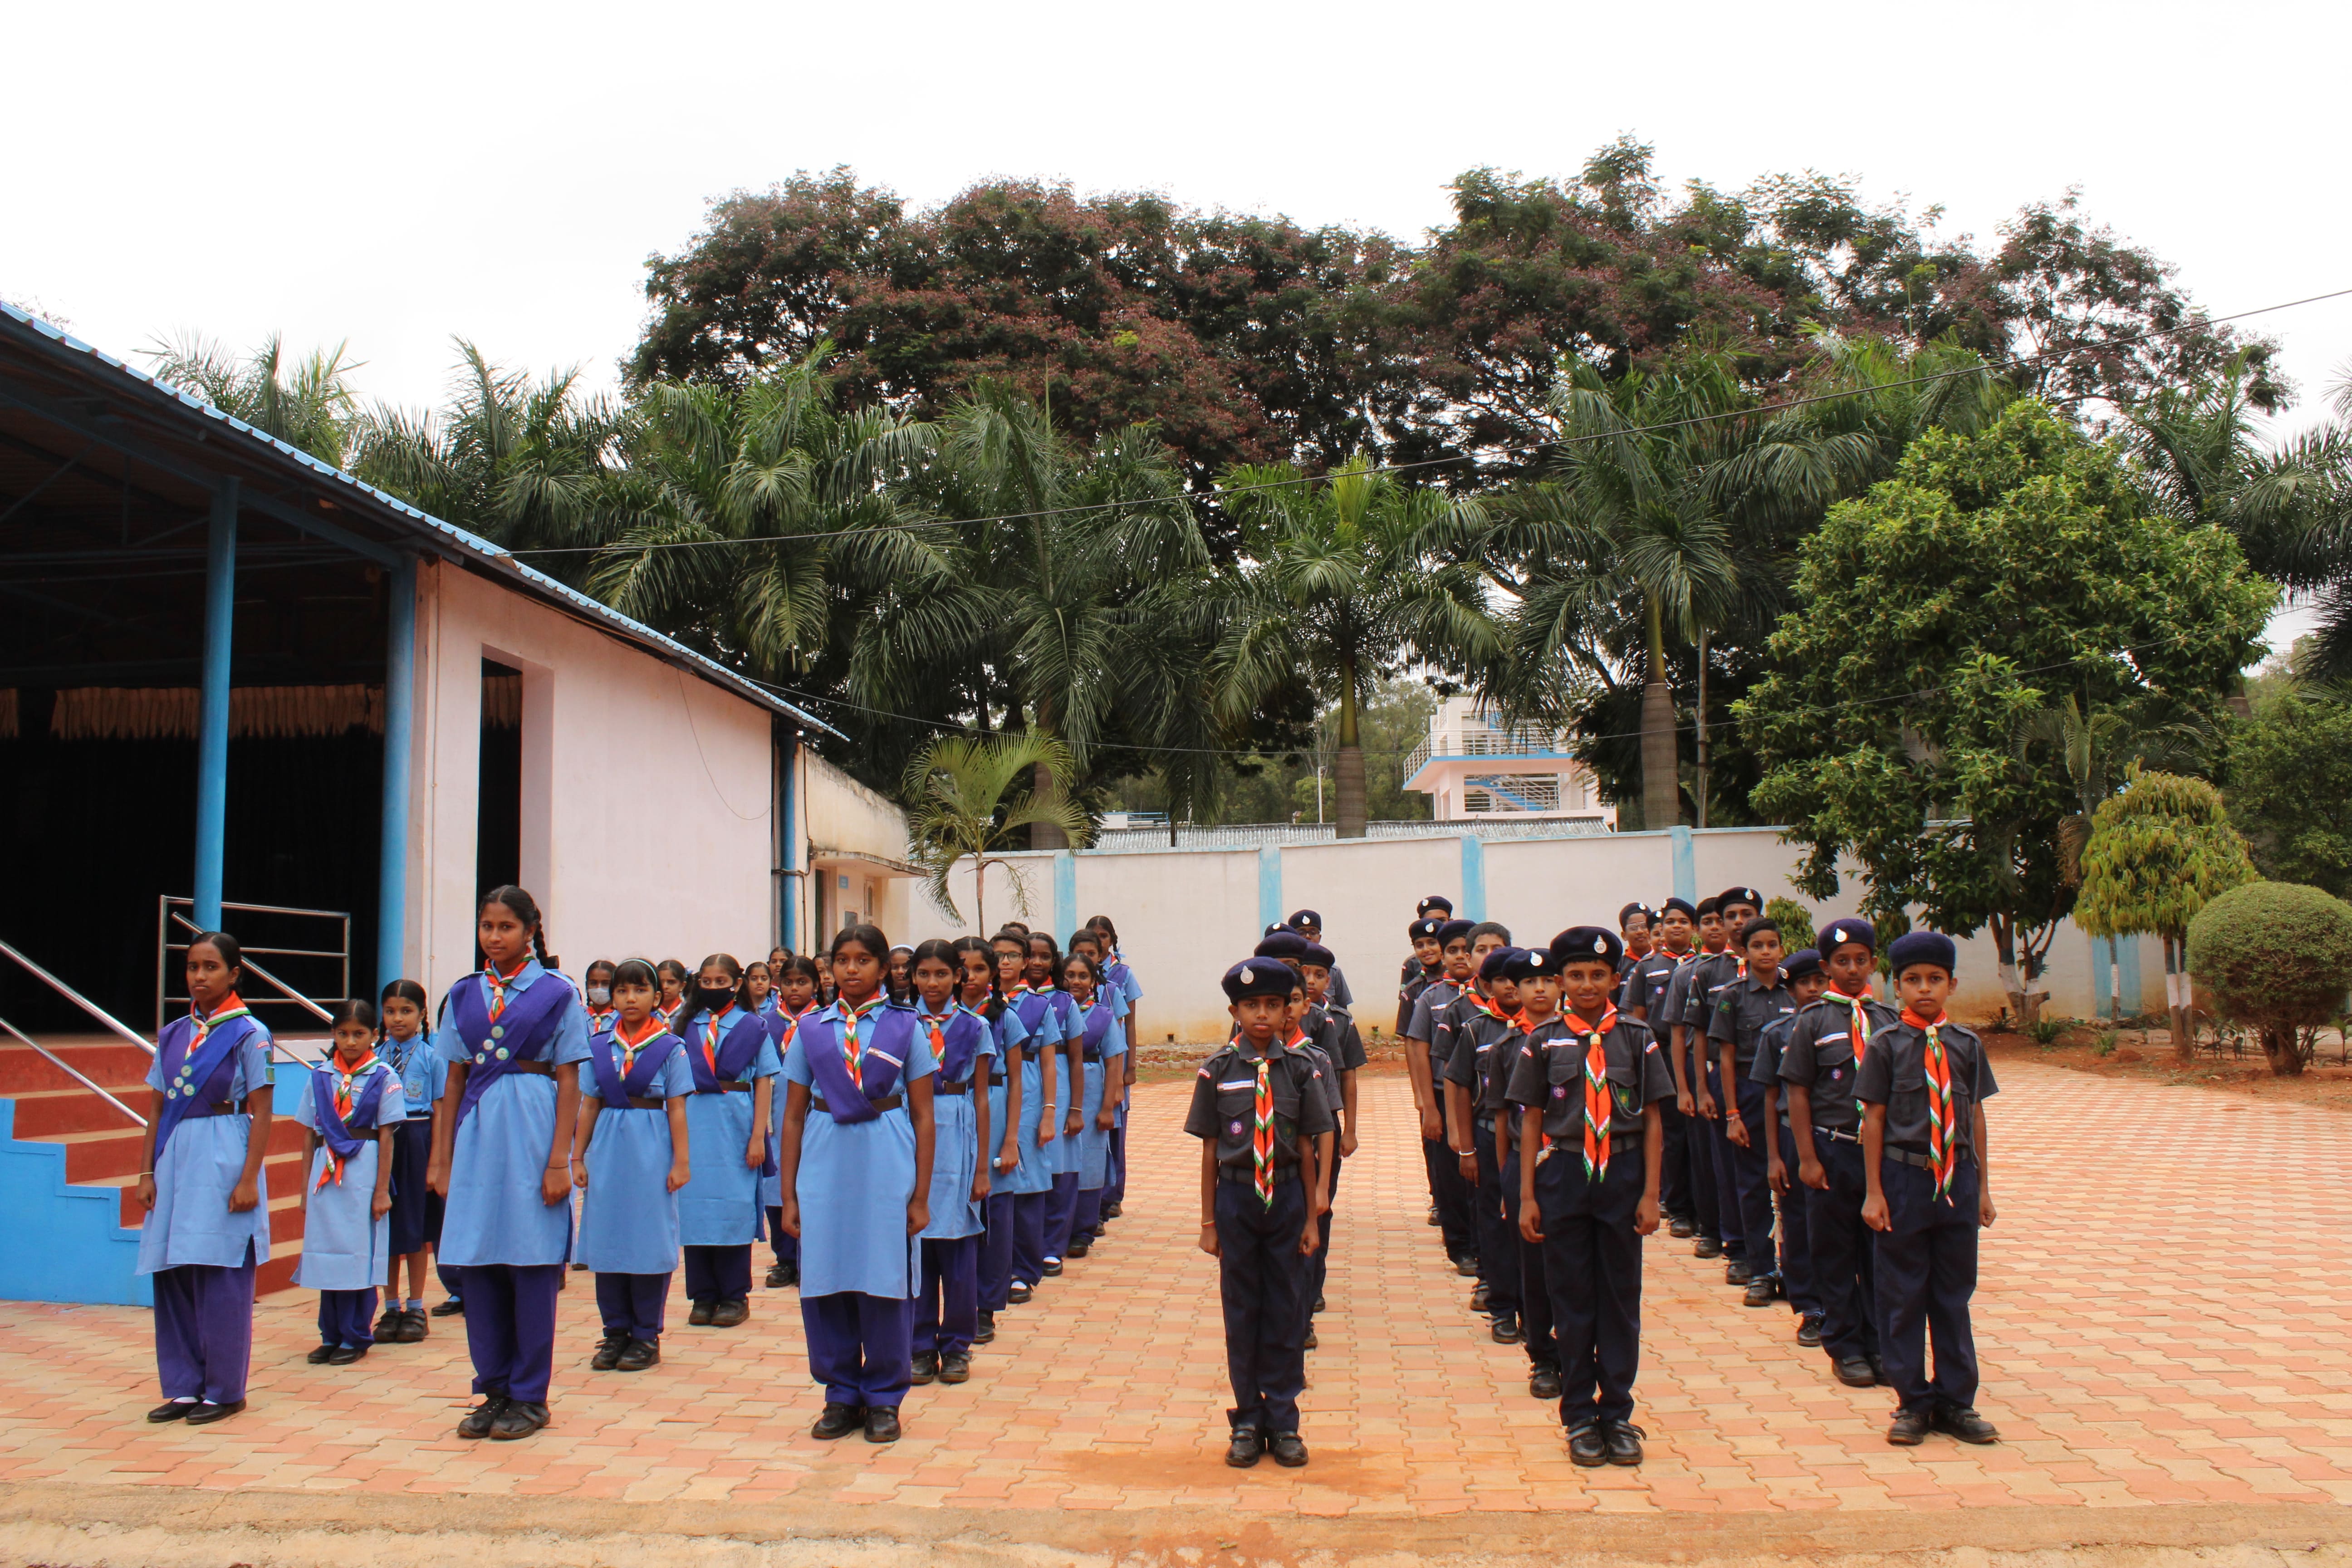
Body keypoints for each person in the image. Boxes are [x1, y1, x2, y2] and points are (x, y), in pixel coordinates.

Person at [426, 886, 589, 1442]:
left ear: (530, 930)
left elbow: (569, 1078)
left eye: (505, 927)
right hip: (476, 1138)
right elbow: (450, 1080)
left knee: (530, 1266)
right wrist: (441, 1160)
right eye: (486, 926)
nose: (494, 938)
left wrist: (559, 1162)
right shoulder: (463, 995)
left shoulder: (557, 993)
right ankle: (492, 1388)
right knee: (479, 1266)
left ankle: (529, 1395)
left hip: (532, 1128)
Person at [1511, 928, 1672, 1467]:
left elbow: (1652, 1120)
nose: (1586, 985)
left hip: (1623, 1174)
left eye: (1597, 975)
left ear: (1615, 979)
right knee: (1573, 1300)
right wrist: (1528, 1195)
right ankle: (1580, 1415)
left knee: (1621, 1300)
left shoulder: (1636, 1038)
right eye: (1575, 976)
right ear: (1559, 982)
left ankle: (1619, 1414)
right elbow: (1531, 1120)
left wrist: (1651, 1193)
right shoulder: (1542, 1040)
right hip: (1563, 1172)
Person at [776, 924, 939, 1445]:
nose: (851, 969)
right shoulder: (811, 1030)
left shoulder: (904, 1027)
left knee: (884, 1278)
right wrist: (789, 1193)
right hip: (824, 1162)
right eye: (841, 960)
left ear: (882, 968)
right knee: (827, 1279)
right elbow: (795, 1115)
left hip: (886, 1159)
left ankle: (885, 1397)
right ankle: (840, 1392)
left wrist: (921, 1193)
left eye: (863, 960)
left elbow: (923, 1114)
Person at [1188, 959, 1332, 1469]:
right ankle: (1248, 1419)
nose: (1264, 1015)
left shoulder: (1301, 1069)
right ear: (1235, 1011)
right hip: (1236, 1198)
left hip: (1289, 1198)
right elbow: (1209, 1150)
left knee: (1288, 1308)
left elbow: (1312, 1146)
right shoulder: (1217, 1071)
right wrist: (1208, 1223)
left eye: (1275, 1004)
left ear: (1291, 1010)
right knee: (1242, 1308)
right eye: (1253, 1006)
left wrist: (1314, 1217)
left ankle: (1285, 1419)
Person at [1861, 930, 2000, 1447]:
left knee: (1953, 1293)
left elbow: (1977, 1114)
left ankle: (1956, 1401)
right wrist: (1874, 1191)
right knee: (1902, 1294)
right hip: (1904, 1177)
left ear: (1953, 984)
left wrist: (1984, 1187)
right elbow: (1872, 1120)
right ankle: (1912, 1403)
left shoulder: (1967, 1045)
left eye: (1935, 980)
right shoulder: (1886, 1046)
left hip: (1958, 1178)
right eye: (1913, 980)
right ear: (1896, 986)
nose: (1925, 989)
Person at [137, 931, 274, 1426]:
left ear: (234, 974)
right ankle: (182, 1386)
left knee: (222, 1271)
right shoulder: (173, 1034)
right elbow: (156, 1108)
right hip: (176, 1157)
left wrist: (248, 1178)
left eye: (211, 967)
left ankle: (224, 1389)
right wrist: (147, 1170)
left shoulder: (250, 1034)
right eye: (193, 966)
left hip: (224, 1152)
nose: (200, 976)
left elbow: (262, 1111)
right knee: (172, 1271)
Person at [1779, 917, 1900, 1389]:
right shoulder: (1812, 1022)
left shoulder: (1889, 1021)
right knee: (1834, 1252)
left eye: (1861, 961)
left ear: (1874, 962)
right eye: (1842, 962)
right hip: (1832, 1150)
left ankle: (1877, 1343)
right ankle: (1844, 1345)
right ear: (1826, 966)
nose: (1853, 970)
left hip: (1880, 1156)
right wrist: (1807, 1158)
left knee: (1878, 1253)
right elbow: (1798, 1095)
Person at [572, 959, 692, 1372]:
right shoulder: (599, 1046)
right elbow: (589, 1104)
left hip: (652, 1148)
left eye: (639, 990)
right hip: (607, 1150)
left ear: (657, 997)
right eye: (621, 991)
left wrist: (681, 1161)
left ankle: (645, 1334)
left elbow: (677, 1108)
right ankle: (615, 1332)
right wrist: (577, 1156)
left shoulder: (670, 1047)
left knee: (648, 1241)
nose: (629, 998)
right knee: (607, 1241)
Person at [295, 1000, 403, 1364]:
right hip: (326, 1172)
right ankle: (331, 1333)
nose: (351, 1042)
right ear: (333, 1035)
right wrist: (303, 1188)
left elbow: (387, 1136)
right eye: (343, 1034)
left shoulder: (384, 1077)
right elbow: (310, 1135)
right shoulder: (320, 1077)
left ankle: (356, 1335)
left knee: (358, 1255)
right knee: (329, 1255)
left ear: (375, 1035)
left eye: (359, 1034)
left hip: (363, 1168)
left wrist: (381, 1190)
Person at [675, 953, 780, 1328]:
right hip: (693, 1123)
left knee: (732, 1210)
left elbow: (764, 1080)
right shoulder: (686, 1024)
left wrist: (758, 1136)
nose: (714, 988)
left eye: (722, 982)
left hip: (735, 1123)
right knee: (695, 1210)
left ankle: (735, 1295)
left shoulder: (753, 1026)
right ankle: (702, 1295)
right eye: (707, 982)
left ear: (736, 984)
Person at [907, 939, 994, 1386]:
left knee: (959, 1252)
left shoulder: (976, 1027)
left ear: (958, 977)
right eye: (924, 974)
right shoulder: (902, 1025)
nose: (933, 982)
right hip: (913, 1133)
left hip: (958, 1136)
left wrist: (982, 1167)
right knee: (917, 1249)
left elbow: (982, 1096)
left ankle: (956, 1346)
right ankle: (919, 1345)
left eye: (942, 974)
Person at [1444, 946, 1530, 1346]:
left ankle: (1534, 1307)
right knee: (1493, 1223)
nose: (1512, 987)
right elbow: (1460, 1085)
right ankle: (1502, 1308)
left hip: (1536, 1143)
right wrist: (1465, 1147)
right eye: (1502, 980)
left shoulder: (1547, 1030)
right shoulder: (1478, 1029)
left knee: (1532, 1225)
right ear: (1486, 985)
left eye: (1521, 980)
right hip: (1487, 1136)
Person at [1708, 916, 1796, 1309]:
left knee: (1792, 1182)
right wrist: (1732, 1113)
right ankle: (1760, 1270)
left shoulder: (1798, 990)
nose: (1766, 952)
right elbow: (1726, 1058)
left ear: (1781, 948)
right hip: (1748, 1091)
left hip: (1792, 1094)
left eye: (1772, 945)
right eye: (1757, 946)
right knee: (1753, 1184)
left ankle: (1795, 1270)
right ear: (1743, 952)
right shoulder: (1733, 996)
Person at [1754, 947, 1828, 1347]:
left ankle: (1845, 1303)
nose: (1813, 989)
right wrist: (1774, 1157)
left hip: (1839, 1136)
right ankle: (1810, 1309)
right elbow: (1769, 1098)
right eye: (1804, 983)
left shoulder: (1857, 1027)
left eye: (1820, 981)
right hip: (1790, 1135)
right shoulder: (1777, 1035)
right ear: (1791, 989)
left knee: (1838, 1224)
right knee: (1797, 1224)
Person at [960, 935, 1029, 1343]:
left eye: (980, 968)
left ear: (993, 974)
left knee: (995, 1217)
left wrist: (1010, 1140)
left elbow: (1019, 1080)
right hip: (950, 1111)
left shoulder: (1005, 1017)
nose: (971, 977)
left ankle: (986, 1306)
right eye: (964, 968)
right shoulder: (928, 1017)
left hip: (996, 1105)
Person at [1618, 897, 1698, 1238]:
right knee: (1673, 1135)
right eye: (1669, 923)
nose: (1676, 927)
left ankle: (1706, 1208)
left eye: (1683, 921)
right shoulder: (1645, 968)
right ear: (1660, 931)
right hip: (1662, 1055)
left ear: (1693, 928)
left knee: (1703, 1138)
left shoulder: (1706, 966)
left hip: (1700, 1054)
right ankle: (1678, 1207)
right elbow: (1636, 1018)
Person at [1405, 918, 1480, 1274]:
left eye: (1469, 950)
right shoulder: (1430, 998)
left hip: (1484, 1100)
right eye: (1453, 951)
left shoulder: (1496, 996)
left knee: (1483, 1176)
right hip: (1442, 1096)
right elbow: (1419, 1050)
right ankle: (1461, 1246)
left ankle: (1485, 1243)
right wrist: (1428, 1108)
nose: (1461, 957)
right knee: (1449, 1177)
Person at [1297, 941, 1363, 1321]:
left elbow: (1346, 1079)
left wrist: (1349, 1130)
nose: (1310, 982)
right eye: (1303, 973)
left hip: (1324, 1125)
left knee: (1320, 1206)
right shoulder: (1258, 1019)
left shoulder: (1334, 1021)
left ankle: (1313, 1282)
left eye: (1319, 975)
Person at [376, 978, 441, 1343]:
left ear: (422, 1014)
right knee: (385, 1227)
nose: (397, 1019)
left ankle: (416, 1306)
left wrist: (436, 1161)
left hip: (417, 1140)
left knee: (415, 1229)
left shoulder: (432, 1058)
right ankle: (389, 1306)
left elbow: (440, 1111)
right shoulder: (375, 1058)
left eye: (406, 1011)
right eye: (390, 1011)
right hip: (384, 1141)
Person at [1020, 932, 1088, 1277]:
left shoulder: (1064, 1002)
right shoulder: (1004, 1001)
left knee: (1060, 1166)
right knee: (1030, 1166)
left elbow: (1076, 1059)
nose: (1036, 962)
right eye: (1030, 955)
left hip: (1057, 1090)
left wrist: (1075, 1108)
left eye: (1044, 956)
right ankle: (1026, 1245)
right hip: (1020, 1088)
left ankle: (1052, 1246)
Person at [994, 931, 1055, 1303]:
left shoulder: (1037, 1006)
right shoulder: (975, 1006)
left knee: (1028, 1180)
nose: (1005, 962)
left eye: (1013, 956)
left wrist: (1049, 1112)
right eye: (998, 955)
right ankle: (993, 1268)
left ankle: (1023, 1269)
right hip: (987, 1093)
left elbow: (1050, 1063)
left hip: (1028, 1092)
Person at [762, 955, 823, 1289]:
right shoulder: (767, 1023)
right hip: (776, 1111)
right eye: (788, 982)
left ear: (816, 985)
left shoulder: (824, 1022)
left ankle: (809, 1254)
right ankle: (784, 1258)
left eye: (802, 982)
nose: (795, 988)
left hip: (813, 1113)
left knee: (809, 1179)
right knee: (776, 1183)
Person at [1063, 951, 1128, 1258]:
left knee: (1090, 1161)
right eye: (1071, 975)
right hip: (1060, 1090)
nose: (1076, 981)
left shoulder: (1102, 1014)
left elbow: (1114, 1059)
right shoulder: (1053, 1010)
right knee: (1060, 1160)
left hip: (1091, 1092)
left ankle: (1083, 1230)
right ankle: (1058, 1228)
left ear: (1093, 982)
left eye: (1083, 976)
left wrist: (1107, 1107)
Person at [1284, 909, 1351, 1009]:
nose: (1307, 937)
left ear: (1319, 937)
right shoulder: (1287, 969)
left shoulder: (1333, 972)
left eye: (1313, 932)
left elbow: (1342, 1010)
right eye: (1301, 932)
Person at [582, 960, 617, 1032]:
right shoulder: (579, 1018)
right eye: (594, 983)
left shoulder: (623, 1019)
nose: (599, 988)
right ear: (587, 986)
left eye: (606, 983)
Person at [654, 959, 689, 1028]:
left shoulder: (689, 1012)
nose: (665, 987)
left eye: (671, 982)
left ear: (682, 986)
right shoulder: (648, 1012)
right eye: (661, 982)